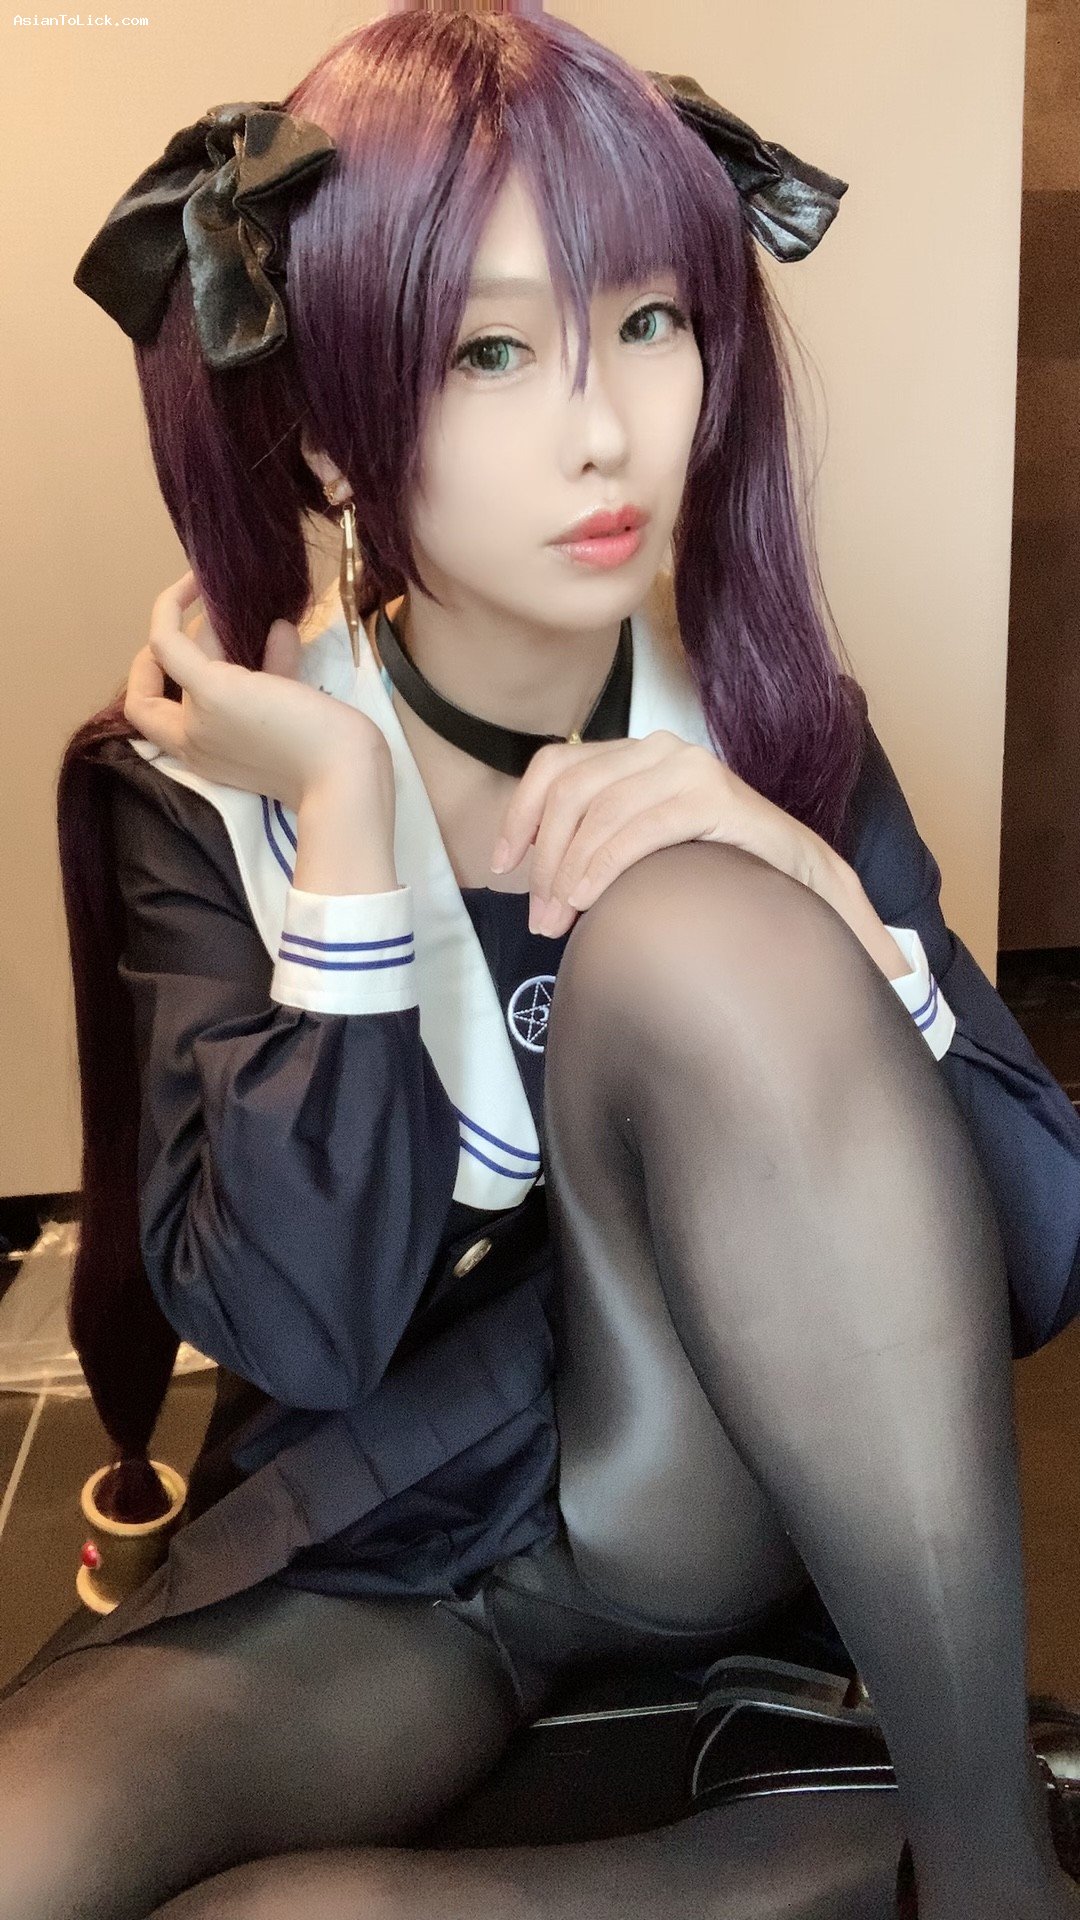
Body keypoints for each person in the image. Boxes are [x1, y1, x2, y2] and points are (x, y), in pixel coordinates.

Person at [1, 5, 1078, 1916]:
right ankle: (810, 1869)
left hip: (677, 1488)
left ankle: (997, 1881)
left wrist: (809, 884)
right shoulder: (214, 791)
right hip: (392, 1538)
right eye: (491, 351)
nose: (605, 426)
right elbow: (307, 1334)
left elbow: (1040, 1249)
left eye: (649, 321)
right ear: (325, 430)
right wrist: (344, 822)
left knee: (690, 924)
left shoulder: (769, 731)